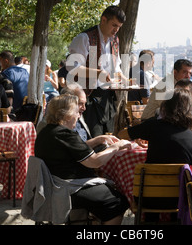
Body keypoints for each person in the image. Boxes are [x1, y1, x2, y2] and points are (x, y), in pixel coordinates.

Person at [34, 94, 132, 225]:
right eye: (76, 112)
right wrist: (116, 146)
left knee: (106, 198)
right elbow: (95, 162)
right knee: (118, 202)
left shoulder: (48, 132)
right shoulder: (65, 134)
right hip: (68, 188)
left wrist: (98, 140)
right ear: (66, 114)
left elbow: (72, 149)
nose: (79, 116)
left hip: (54, 185)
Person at [118, 89, 192, 184]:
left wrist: (137, 136)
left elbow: (121, 135)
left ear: (165, 107)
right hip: (181, 196)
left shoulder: (152, 126)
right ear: (190, 109)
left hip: (149, 193)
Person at [67, 5, 126, 137]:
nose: (116, 30)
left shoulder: (115, 41)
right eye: (114, 25)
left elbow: (116, 69)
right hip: (88, 99)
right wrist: (98, 73)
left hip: (107, 100)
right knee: (94, 139)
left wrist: (125, 80)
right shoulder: (85, 38)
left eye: (119, 27)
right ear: (103, 20)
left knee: (109, 138)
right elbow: (73, 68)